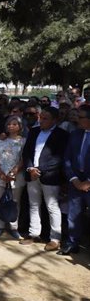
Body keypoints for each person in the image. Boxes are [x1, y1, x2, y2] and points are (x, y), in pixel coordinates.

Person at [21, 107, 68, 251]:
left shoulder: (62, 135)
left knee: (52, 207)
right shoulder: (34, 131)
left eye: (45, 118)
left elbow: (59, 158)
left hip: (50, 177)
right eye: (41, 117)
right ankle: (34, 233)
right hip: (31, 174)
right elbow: (27, 152)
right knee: (33, 205)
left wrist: (40, 170)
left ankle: (55, 238)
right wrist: (30, 168)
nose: (41, 120)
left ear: (54, 120)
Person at [61, 104, 90, 255]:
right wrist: (74, 179)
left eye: (81, 117)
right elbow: (67, 158)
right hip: (75, 182)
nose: (77, 120)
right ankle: (72, 243)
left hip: (88, 183)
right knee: (73, 214)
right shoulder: (75, 134)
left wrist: (88, 182)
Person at [0, 116, 25, 239]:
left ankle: (13, 227)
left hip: (16, 176)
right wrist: (0, 172)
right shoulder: (1, 139)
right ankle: (0, 226)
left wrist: (15, 171)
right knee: (0, 200)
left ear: (20, 126)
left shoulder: (23, 141)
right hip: (0, 174)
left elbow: (23, 158)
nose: (11, 126)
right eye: (9, 124)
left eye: (14, 124)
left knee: (15, 202)